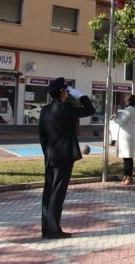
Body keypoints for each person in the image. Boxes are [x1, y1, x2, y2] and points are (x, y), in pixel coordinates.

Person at [39, 77, 95, 239]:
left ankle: (46, 228)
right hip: (64, 156)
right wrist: (81, 95)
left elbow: (42, 136)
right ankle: (54, 229)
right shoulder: (66, 108)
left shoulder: (45, 110)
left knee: (48, 192)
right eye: (66, 91)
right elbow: (90, 110)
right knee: (58, 192)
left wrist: (47, 153)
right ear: (63, 92)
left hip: (50, 156)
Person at [112, 94, 135, 186]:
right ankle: (126, 175)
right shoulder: (128, 109)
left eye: (126, 98)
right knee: (126, 157)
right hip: (125, 135)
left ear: (129, 100)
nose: (124, 99)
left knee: (127, 158)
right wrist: (117, 116)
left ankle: (129, 176)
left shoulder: (129, 109)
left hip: (127, 136)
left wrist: (115, 118)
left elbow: (121, 122)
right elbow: (122, 119)